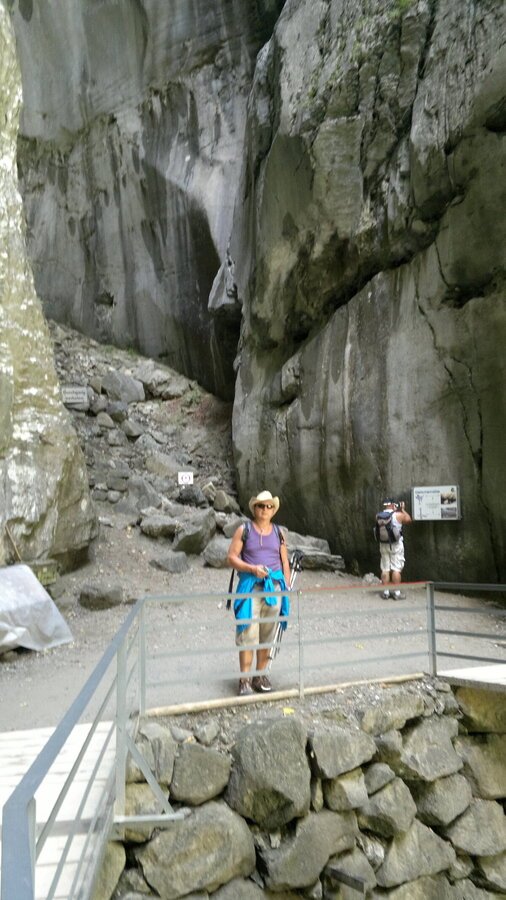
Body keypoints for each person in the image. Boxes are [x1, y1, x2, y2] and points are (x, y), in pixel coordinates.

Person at [227, 490, 291, 696]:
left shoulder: (279, 533)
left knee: (267, 635)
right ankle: (244, 680)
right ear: (254, 508)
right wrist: (252, 569)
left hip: (274, 589)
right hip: (251, 587)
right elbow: (232, 558)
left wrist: (286, 586)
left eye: (269, 506)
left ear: (273, 510)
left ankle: (260, 676)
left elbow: (284, 561)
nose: (265, 509)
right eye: (261, 506)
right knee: (248, 634)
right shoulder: (243, 530)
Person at [378, 498, 412, 600]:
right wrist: (402, 509)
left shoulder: (378, 516)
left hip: (383, 544)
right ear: (393, 505)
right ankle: (397, 593)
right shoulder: (398, 515)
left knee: (385, 568)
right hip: (396, 545)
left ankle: (386, 592)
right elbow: (409, 519)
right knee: (396, 569)